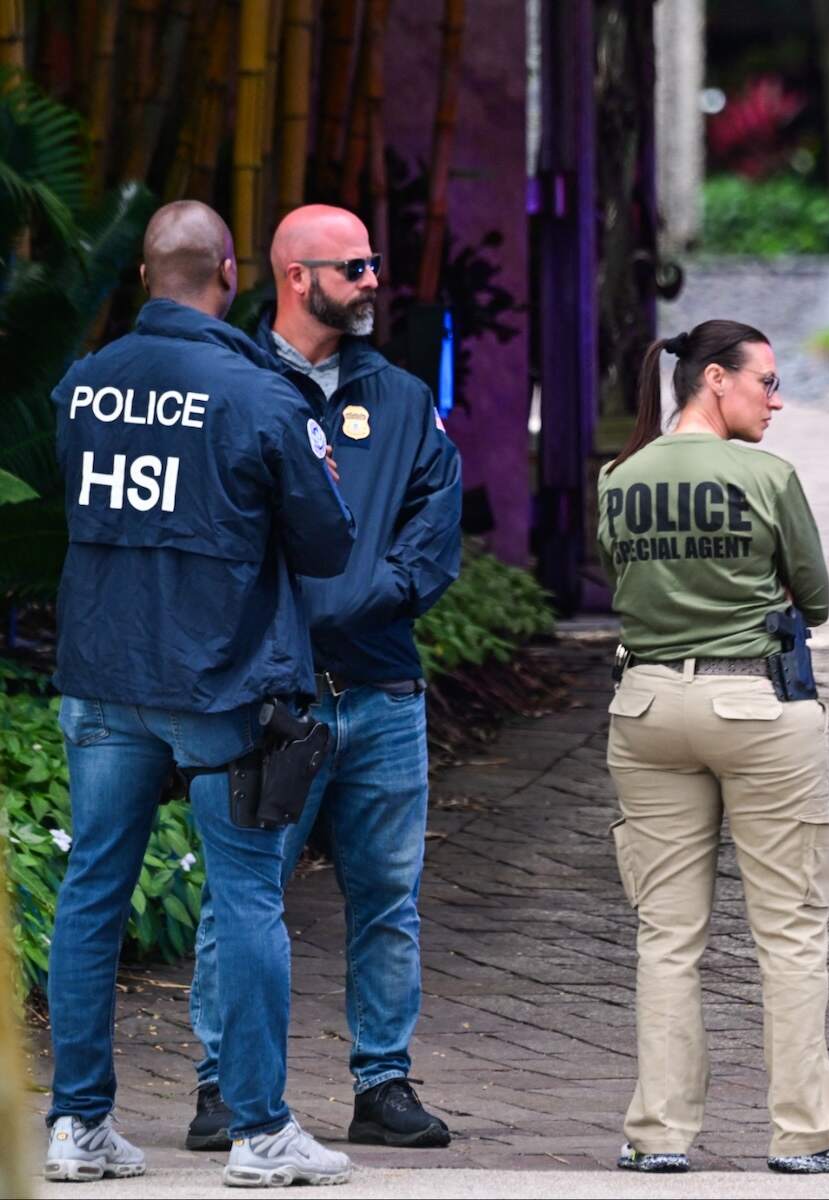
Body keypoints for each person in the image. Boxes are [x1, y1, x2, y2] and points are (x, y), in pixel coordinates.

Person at [41, 201, 358, 1186]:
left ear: (142, 276)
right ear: (231, 273)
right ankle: (260, 1134)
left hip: (103, 677)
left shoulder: (83, 387)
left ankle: (78, 1126)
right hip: (222, 686)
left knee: (93, 889)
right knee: (250, 895)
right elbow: (327, 545)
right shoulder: (262, 398)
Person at [187, 204, 462, 1151]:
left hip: (382, 688)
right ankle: (222, 1085)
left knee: (388, 895)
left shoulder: (397, 394)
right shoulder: (224, 386)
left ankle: (381, 1081)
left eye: (375, 263)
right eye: (355, 267)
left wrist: (362, 596)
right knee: (243, 893)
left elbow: (436, 516)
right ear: (296, 277)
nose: (375, 280)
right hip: (267, 694)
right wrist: (286, 621)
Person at [597, 319, 829, 1176]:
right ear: (714, 380)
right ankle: (806, 1134)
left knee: (666, 934)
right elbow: (814, 599)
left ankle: (658, 1135)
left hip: (646, 704)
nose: (778, 398)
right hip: (755, 703)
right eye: (766, 381)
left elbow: (620, 579)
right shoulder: (767, 475)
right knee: (790, 932)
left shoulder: (622, 476)